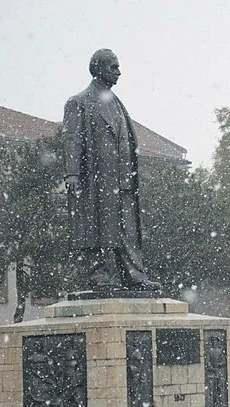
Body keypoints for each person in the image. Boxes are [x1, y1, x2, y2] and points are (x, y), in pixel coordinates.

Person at [62, 49, 159, 292]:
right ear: (98, 69)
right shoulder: (79, 102)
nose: (119, 71)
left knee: (126, 230)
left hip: (124, 181)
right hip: (97, 178)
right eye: (113, 67)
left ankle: (133, 275)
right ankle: (102, 276)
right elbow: (71, 138)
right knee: (97, 229)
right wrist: (72, 173)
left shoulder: (116, 102)